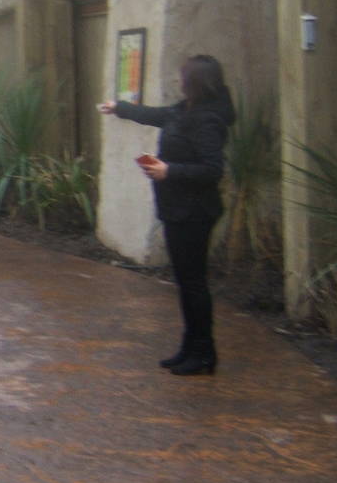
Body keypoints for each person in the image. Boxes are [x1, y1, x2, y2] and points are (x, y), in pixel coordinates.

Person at [99, 54, 235, 376]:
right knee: (185, 283)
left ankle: (204, 353)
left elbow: (213, 170)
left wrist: (169, 170)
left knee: (194, 284)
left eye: (183, 76)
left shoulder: (207, 120)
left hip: (194, 212)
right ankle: (190, 346)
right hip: (177, 209)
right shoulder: (184, 109)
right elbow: (156, 115)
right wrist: (120, 108)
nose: (179, 81)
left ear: (196, 82)